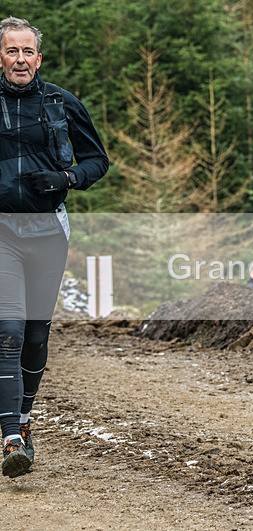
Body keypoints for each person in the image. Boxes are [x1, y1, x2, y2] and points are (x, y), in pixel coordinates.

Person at [0, 17, 108, 478]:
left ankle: (23, 420)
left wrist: (65, 178)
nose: (20, 59)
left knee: (35, 336)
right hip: (2, 232)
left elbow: (97, 161)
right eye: (12, 51)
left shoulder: (61, 102)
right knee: (8, 331)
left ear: (38, 58)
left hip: (48, 231)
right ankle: (10, 437)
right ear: (0, 57)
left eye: (28, 51)